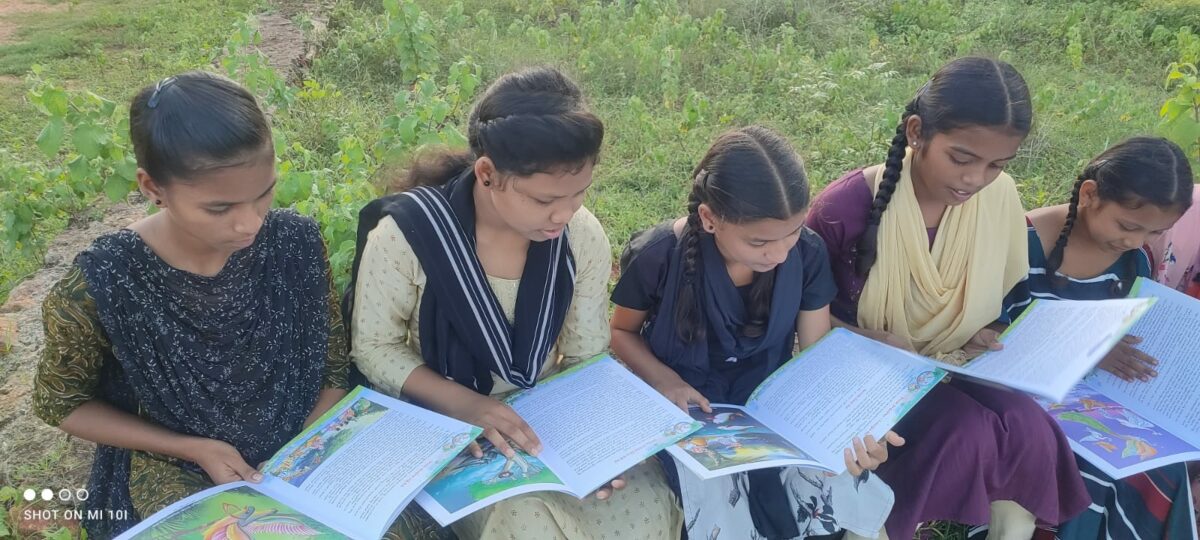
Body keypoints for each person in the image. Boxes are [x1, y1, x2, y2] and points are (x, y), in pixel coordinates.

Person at [347, 66, 680, 540]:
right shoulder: (408, 237)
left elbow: (585, 356)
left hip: (550, 416)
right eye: (545, 199)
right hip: (448, 422)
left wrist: (600, 449)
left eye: (579, 192)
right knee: (528, 523)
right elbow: (376, 349)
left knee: (640, 508)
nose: (563, 213)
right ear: (487, 174)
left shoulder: (579, 235)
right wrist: (470, 407)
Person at [32, 71, 349, 539]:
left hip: (304, 445)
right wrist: (193, 448)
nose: (250, 224)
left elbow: (332, 369)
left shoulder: (295, 242)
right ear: (151, 187)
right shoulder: (103, 284)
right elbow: (60, 402)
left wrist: (300, 453)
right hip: (174, 464)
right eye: (220, 209)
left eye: (264, 194)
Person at [806, 56, 1090, 539]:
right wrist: (867, 338)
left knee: (1028, 427)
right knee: (964, 432)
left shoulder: (998, 199)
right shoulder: (845, 209)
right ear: (917, 132)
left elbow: (997, 292)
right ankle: (874, 529)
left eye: (996, 165)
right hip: (860, 369)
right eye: (961, 158)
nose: (975, 179)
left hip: (951, 360)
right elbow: (804, 320)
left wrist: (983, 331)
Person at [611, 125, 901, 539]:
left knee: (833, 481)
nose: (779, 253)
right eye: (760, 242)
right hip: (686, 411)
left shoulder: (807, 254)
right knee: (717, 497)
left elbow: (817, 355)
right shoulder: (658, 255)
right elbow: (622, 333)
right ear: (710, 219)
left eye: (792, 233)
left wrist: (848, 422)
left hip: (772, 403)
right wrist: (666, 382)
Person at [1016, 136, 1194, 540]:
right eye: (1128, 226)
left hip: (1096, 402)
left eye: (1154, 231)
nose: (1136, 240)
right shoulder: (1023, 242)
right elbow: (987, 338)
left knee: (1158, 466)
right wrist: (1086, 349)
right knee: (1094, 470)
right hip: (1017, 402)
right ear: (1090, 194)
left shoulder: (1135, 261)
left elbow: (1131, 336)